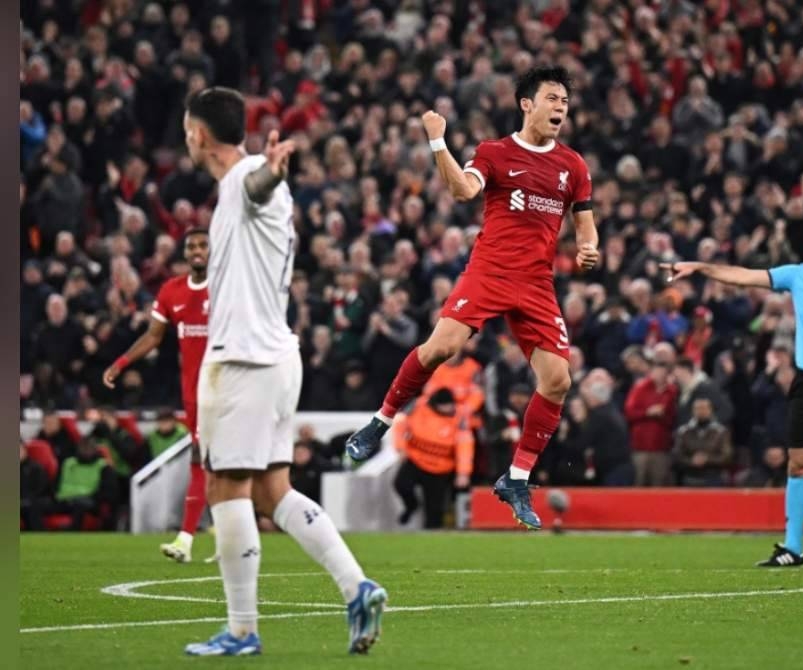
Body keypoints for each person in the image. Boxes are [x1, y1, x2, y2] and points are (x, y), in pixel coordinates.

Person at [344, 66, 599, 530]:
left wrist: (588, 246)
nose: (561, 107)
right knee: (441, 348)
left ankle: (516, 477)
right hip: (491, 271)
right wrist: (438, 141)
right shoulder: (494, 153)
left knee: (558, 380)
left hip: (537, 283)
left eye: (565, 100)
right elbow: (463, 191)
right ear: (527, 104)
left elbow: (585, 220)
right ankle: (380, 422)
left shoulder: (573, 165)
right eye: (552, 98)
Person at [178, 87, 385, 657]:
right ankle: (357, 586)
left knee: (225, 486)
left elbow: (254, 187)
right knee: (273, 490)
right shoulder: (243, 184)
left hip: (242, 359)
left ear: (197, 133)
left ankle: (242, 631)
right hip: (275, 355)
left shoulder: (246, 179)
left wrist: (268, 172)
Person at [664, 220, 803, 568]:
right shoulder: (798, 276)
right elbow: (745, 276)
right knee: (799, 463)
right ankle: (793, 548)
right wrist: (700, 268)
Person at [103, 228, 211, 564]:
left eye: (202, 245)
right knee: (205, 463)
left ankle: (191, 538)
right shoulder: (171, 290)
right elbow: (153, 336)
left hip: (229, 390)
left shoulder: (227, 285)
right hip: (194, 396)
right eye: (191, 246)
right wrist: (120, 363)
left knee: (216, 464)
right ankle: (200, 540)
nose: (196, 250)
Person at [391, 388, 473, 529]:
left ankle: (432, 541)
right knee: (401, 485)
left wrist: (463, 473)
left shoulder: (460, 417)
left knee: (434, 511)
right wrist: (401, 448)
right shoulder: (417, 406)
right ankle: (412, 505)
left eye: (451, 405)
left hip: (441, 468)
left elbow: (465, 446)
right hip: (416, 459)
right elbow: (400, 423)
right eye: (445, 406)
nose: (449, 409)